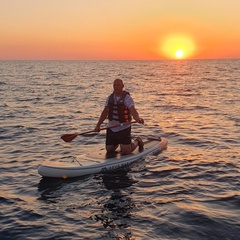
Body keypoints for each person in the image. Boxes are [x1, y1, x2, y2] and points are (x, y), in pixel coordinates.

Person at [94, 78, 144, 155]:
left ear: (122, 86)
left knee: (126, 151)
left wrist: (137, 118)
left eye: (118, 85)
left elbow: (133, 110)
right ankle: (117, 142)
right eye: (114, 85)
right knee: (109, 150)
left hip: (123, 128)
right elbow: (104, 112)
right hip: (111, 128)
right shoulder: (110, 98)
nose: (116, 87)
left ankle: (138, 140)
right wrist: (98, 125)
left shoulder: (127, 98)